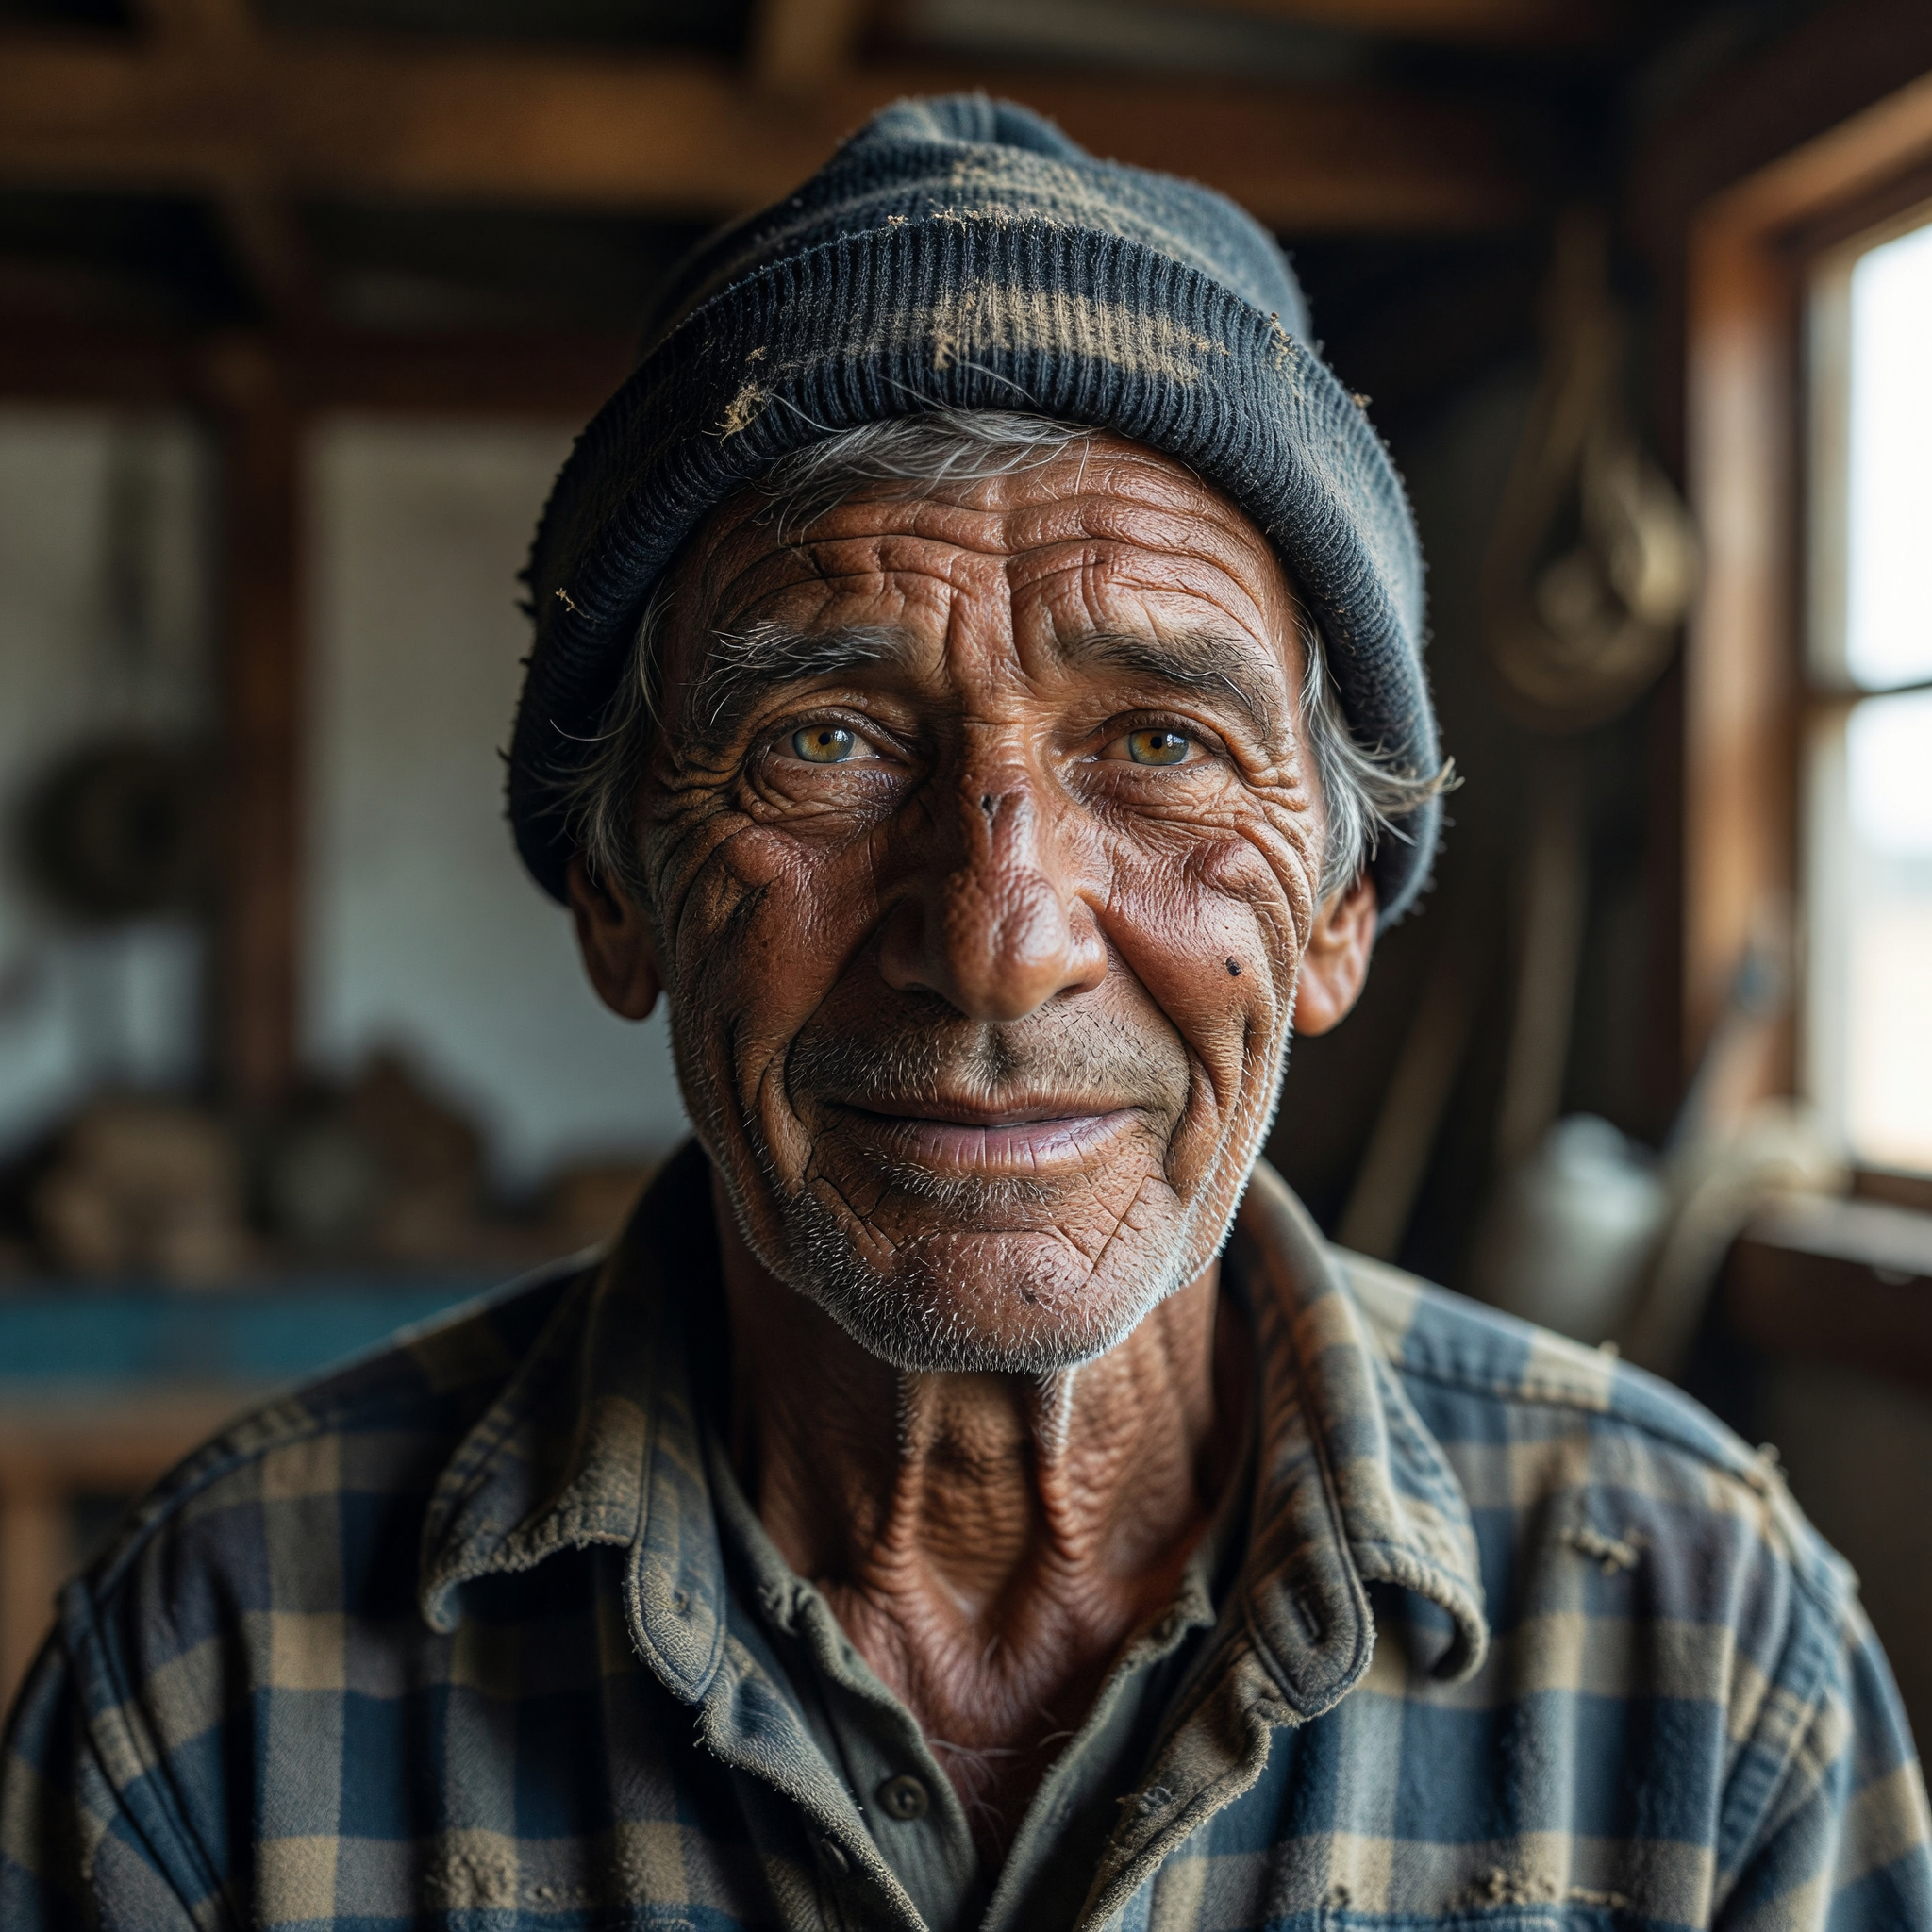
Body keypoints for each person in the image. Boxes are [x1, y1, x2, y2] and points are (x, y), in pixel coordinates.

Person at [3, 94, 1926, 1932]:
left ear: (1339, 911)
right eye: (822, 739)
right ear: (616, 892)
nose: (998, 936)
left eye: (1161, 743)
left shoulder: (1701, 1649)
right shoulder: (214, 1681)